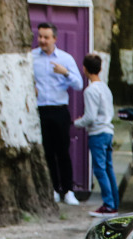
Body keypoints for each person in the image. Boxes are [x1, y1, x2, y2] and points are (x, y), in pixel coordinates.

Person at [32, 22, 83, 205]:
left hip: (60, 110)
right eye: (40, 37)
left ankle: (68, 190)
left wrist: (65, 73)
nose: (42, 40)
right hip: (40, 110)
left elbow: (78, 84)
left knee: (62, 151)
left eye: (46, 37)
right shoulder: (32, 58)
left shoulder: (65, 58)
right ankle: (53, 189)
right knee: (47, 152)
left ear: (55, 38)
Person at [74, 53, 119, 216]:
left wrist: (76, 122)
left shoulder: (90, 90)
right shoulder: (105, 88)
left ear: (84, 69)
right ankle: (114, 202)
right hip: (108, 131)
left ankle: (108, 204)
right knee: (108, 168)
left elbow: (90, 117)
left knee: (99, 169)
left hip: (97, 133)